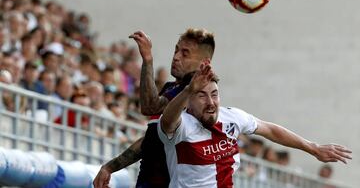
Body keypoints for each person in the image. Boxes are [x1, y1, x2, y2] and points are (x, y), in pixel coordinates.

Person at [158, 63, 352, 188]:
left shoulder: (232, 117)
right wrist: (188, 89)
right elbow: (167, 120)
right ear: (188, 101)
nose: (211, 102)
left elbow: (270, 129)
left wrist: (313, 148)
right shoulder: (182, 125)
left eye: (215, 94)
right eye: (201, 95)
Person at [93, 28, 215, 188]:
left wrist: (148, 59)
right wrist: (109, 167)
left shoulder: (196, 94)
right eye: (176, 50)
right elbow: (151, 139)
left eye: (185, 53)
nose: (176, 57)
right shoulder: (171, 88)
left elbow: (150, 106)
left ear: (204, 63)